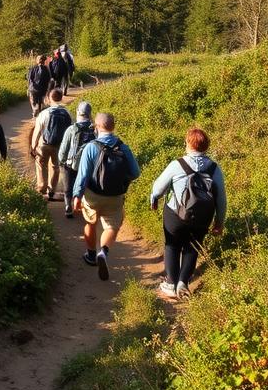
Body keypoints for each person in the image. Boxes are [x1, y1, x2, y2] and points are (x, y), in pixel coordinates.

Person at [149, 127, 226, 299]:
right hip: (203, 217)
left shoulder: (177, 164)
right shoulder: (214, 169)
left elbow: (158, 188)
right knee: (192, 247)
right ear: (206, 146)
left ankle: (170, 282)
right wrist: (219, 222)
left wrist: (153, 199)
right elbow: (221, 199)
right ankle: (183, 282)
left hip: (176, 214)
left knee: (172, 245)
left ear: (188, 144)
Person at [72, 112, 140, 280]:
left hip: (93, 194)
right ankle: (104, 252)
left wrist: (77, 196)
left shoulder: (91, 147)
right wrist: (122, 182)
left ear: (96, 126)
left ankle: (91, 254)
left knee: (90, 222)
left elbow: (83, 176)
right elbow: (135, 172)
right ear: (113, 126)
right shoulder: (123, 147)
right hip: (115, 196)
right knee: (111, 227)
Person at [30, 89, 72, 200]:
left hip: (44, 144)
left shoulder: (44, 113)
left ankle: (41, 188)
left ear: (49, 98)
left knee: (41, 164)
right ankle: (51, 191)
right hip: (59, 145)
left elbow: (37, 131)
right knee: (55, 167)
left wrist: (33, 146)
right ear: (61, 98)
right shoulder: (67, 113)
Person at [57, 100, 95, 218]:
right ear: (89, 114)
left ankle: (68, 206)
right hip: (89, 164)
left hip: (70, 163)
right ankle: (86, 208)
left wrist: (61, 161)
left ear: (78, 112)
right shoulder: (94, 129)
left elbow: (64, 148)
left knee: (68, 185)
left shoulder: (71, 129)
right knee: (85, 185)